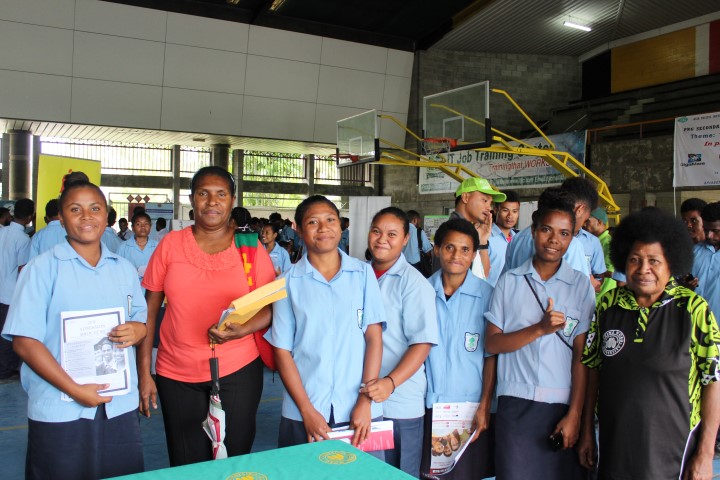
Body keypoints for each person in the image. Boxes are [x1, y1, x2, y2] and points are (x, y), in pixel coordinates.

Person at [1, 180, 147, 479]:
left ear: (106, 215)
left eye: (95, 209)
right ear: (62, 217)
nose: (86, 217)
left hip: (119, 405)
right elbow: (25, 342)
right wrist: (74, 390)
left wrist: (137, 330)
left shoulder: (123, 269)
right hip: (61, 407)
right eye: (75, 209)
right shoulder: (41, 269)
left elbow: (141, 321)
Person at [138, 166, 276, 466]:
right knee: (186, 462)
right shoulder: (171, 245)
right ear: (192, 199)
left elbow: (269, 308)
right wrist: (144, 374)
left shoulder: (250, 247)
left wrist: (243, 330)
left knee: (234, 459)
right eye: (203, 193)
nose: (212, 202)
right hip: (176, 373)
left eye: (221, 194)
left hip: (238, 370)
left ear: (232, 200)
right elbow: (149, 311)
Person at [580, 208, 720, 480]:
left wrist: (704, 454)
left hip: (674, 449)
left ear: (671, 263)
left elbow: (712, 381)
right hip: (615, 446)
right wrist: (587, 431)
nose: (643, 269)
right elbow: (593, 370)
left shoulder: (693, 309)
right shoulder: (608, 305)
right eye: (635, 259)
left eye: (654, 261)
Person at [485, 189, 595, 479]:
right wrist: (540, 329)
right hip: (515, 402)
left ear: (572, 239)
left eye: (564, 233)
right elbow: (492, 343)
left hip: (562, 404)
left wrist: (575, 414)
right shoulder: (510, 281)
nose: (554, 240)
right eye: (546, 230)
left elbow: (581, 357)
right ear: (533, 231)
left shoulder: (580, 285)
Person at [265, 195, 386, 453]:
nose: (323, 228)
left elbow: (374, 337)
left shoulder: (363, 274)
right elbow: (282, 351)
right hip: (305, 411)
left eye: (330, 220)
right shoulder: (286, 283)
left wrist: (366, 401)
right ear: (298, 230)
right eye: (313, 222)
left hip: (358, 410)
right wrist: (307, 410)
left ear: (340, 226)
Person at [420, 218, 496, 479]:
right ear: (437, 249)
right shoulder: (421, 292)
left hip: (470, 408)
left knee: (467, 474)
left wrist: (485, 405)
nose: (456, 256)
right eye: (449, 247)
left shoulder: (488, 296)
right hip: (428, 405)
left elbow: (491, 356)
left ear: (474, 254)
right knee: (429, 474)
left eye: (465, 250)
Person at [364, 207, 438, 477]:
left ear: (406, 239)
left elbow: (422, 343)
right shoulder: (359, 275)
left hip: (398, 401)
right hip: (362, 399)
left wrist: (390, 383)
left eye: (392, 234)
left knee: (398, 472)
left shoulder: (414, 284)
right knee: (367, 471)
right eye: (376, 231)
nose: (382, 239)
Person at [503, 177, 600, 284]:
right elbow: (579, 289)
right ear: (579, 210)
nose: (584, 224)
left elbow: (505, 282)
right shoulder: (572, 245)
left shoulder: (517, 239)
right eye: (586, 219)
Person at [0, 198, 34, 380]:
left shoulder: (2, 231)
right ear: (30, 217)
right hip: (10, 293)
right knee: (8, 332)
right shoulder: (23, 239)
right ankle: (5, 369)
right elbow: (23, 268)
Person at [450, 177, 507, 279]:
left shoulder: (470, 231)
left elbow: (483, 275)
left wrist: (482, 242)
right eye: (484, 200)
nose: (489, 208)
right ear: (465, 197)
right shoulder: (452, 233)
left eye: (490, 203)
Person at [584, 207, 622, 299]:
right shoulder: (591, 241)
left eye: (587, 221)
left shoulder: (609, 244)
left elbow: (608, 271)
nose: (584, 224)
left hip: (602, 295)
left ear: (599, 222)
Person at [487, 190, 520, 286]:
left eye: (515, 211)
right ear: (495, 210)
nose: (510, 216)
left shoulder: (519, 239)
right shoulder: (486, 238)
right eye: (505, 210)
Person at [116, 211, 158, 284]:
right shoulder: (123, 247)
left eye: (146, 224)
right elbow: (117, 270)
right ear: (133, 227)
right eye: (138, 224)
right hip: (130, 287)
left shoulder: (158, 247)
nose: (143, 227)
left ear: (150, 227)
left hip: (152, 288)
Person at [402, 210, 433, 276]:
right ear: (415, 220)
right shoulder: (419, 232)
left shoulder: (401, 231)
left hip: (402, 265)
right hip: (416, 266)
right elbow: (427, 250)